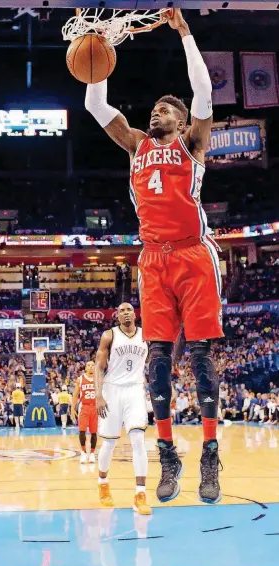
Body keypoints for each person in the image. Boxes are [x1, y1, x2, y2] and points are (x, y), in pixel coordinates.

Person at [85, 8, 223, 504]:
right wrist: (98, 52)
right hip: (154, 259)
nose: (155, 114)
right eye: (154, 111)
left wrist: (185, 34)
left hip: (193, 256)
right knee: (159, 361)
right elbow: (96, 105)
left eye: (164, 111)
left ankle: (210, 454)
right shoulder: (136, 145)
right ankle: (169, 454)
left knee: (203, 357)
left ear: (181, 120)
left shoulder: (192, 143)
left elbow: (204, 93)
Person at [95, 302, 151, 515]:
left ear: (135, 313)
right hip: (112, 390)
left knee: (138, 439)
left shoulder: (146, 335)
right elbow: (99, 367)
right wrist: (98, 395)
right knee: (109, 443)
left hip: (135, 389)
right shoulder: (109, 336)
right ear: (116, 316)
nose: (126, 313)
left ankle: (140, 494)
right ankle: (103, 483)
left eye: (129, 309)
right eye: (121, 310)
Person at [71, 361, 97, 463]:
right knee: (82, 431)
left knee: (94, 432)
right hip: (84, 407)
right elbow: (75, 395)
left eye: (92, 365)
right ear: (85, 368)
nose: (91, 367)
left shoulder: (98, 379)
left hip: (95, 408)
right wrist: (73, 408)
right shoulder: (80, 379)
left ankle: (92, 454)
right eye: (89, 365)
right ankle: (83, 453)